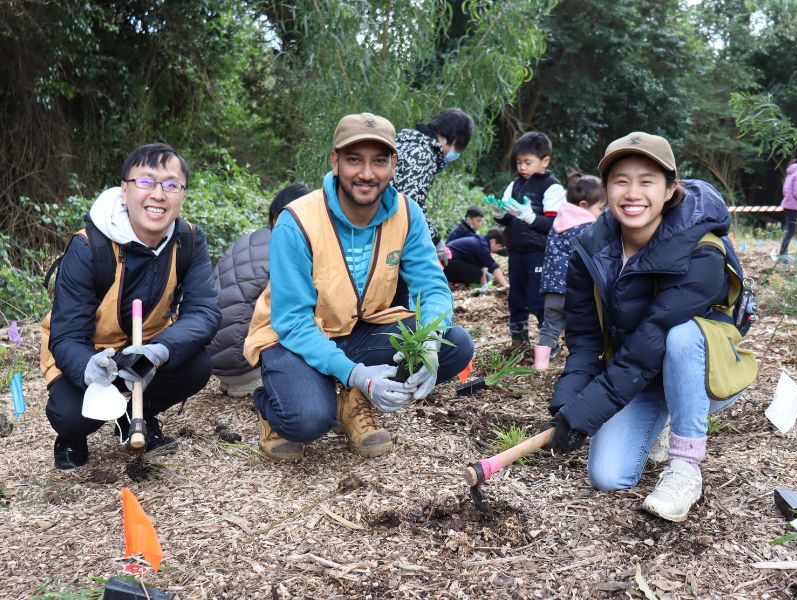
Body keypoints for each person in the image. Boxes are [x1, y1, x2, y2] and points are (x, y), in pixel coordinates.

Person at [542, 132, 757, 522]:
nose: (633, 192)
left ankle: (685, 467)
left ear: (670, 188)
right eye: (621, 180)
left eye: (647, 181)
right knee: (608, 476)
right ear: (605, 189)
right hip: (639, 376)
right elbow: (586, 338)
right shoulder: (589, 251)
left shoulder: (701, 250)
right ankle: (664, 415)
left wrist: (588, 411)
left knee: (680, 335)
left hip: (701, 368)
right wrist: (566, 405)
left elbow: (652, 337)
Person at [244, 113, 474, 461]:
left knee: (454, 345)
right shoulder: (297, 221)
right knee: (308, 420)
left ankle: (352, 398)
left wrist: (430, 338)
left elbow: (432, 287)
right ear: (335, 161)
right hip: (295, 337)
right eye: (354, 160)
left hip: (360, 330)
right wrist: (359, 374)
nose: (367, 174)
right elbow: (292, 322)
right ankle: (272, 405)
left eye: (379, 161)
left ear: (394, 165)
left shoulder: (407, 215)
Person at [40, 143, 221, 469]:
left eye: (171, 185)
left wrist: (161, 350)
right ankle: (71, 436)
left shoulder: (189, 241)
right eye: (146, 182)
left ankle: (140, 415)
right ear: (124, 190)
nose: (158, 194)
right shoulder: (88, 247)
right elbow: (65, 336)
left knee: (198, 366)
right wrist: (87, 368)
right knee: (71, 414)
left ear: (182, 194)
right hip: (93, 354)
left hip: (146, 352)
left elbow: (204, 311)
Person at [208, 183, 310, 397]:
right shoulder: (287, 249)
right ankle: (256, 380)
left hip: (214, 363)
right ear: (277, 218)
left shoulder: (248, 239)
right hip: (245, 365)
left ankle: (235, 381)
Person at [490, 131, 566, 352]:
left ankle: (549, 343)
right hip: (516, 250)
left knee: (538, 297)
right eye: (519, 162)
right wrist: (497, 212)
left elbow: (555, 223)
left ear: (545, 161)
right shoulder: (514, 185)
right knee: (516, 296)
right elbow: (505, 216)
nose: (522, 167)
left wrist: (531, 217)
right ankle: (518, 340)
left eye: (527, 162)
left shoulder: (552, 187)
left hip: (539, 251)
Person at [392, 108, 475, 307]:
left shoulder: (405, 142)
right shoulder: (423, 153)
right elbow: (411, 205)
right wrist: (436, 241)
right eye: (458, 149)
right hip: (391, 235)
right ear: (454, 141)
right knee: (399, 300)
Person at [533, 175, 606, 370]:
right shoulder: (587, 227)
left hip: (551, 290)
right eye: (600, 208)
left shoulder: (559, 223)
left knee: (549, 329)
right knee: (584, 328)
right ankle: (582, 361)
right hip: (575, 291)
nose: (602, 213)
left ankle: (540, 365)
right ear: (583, 205)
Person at [444, 228, 509, 289]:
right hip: (447, 262)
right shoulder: (482, 246)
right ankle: (449, 281)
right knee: (477, 274)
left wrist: (484, 286)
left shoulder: (481, 242)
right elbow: (494, 268)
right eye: (499, 246)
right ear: (493, 241)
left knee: (483, 274)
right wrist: (506, 285)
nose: (498, 249)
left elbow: (481, 265)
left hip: (449, 261)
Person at [779, 156, 797, 257]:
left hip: (788, 205)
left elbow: (785, 191)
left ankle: (783, 251)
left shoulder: (791, 174)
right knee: (791, 230)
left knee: (789, 229)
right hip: (794, 206)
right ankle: (783, 253)